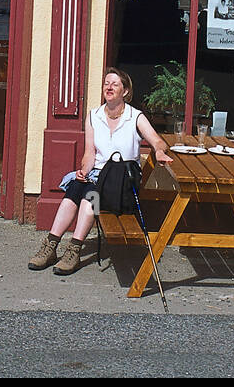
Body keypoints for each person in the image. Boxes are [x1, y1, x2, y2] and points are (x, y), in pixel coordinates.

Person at [28, 68, 173, 275]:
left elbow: (158, 141)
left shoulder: (135, 117)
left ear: (125, 91)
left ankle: (74, 250)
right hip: (98, 175)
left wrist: (159, 151)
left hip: (121, 182)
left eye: (115, 84)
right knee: (74, 191)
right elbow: (89, 153)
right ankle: (50, 246)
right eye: (106, 83)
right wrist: (83, 170)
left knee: (90, 197)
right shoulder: (93, 116)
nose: (109, 87)